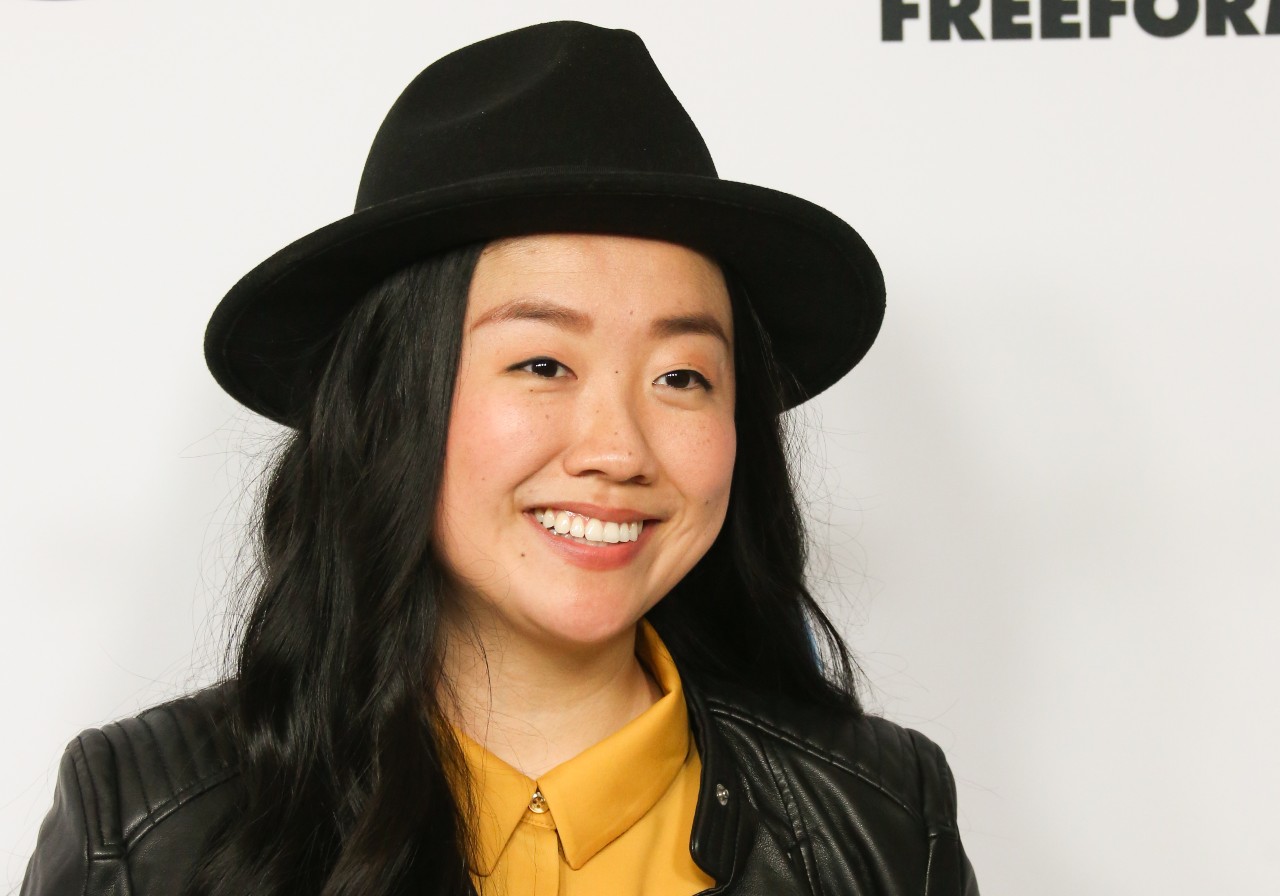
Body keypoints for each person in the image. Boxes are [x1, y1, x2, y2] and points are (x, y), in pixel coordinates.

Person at [21, 21, 978, 896]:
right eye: (543, 362)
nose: (617, 449)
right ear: (394, 404)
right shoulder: (147, 830)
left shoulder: (884, 821)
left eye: (683, 377)